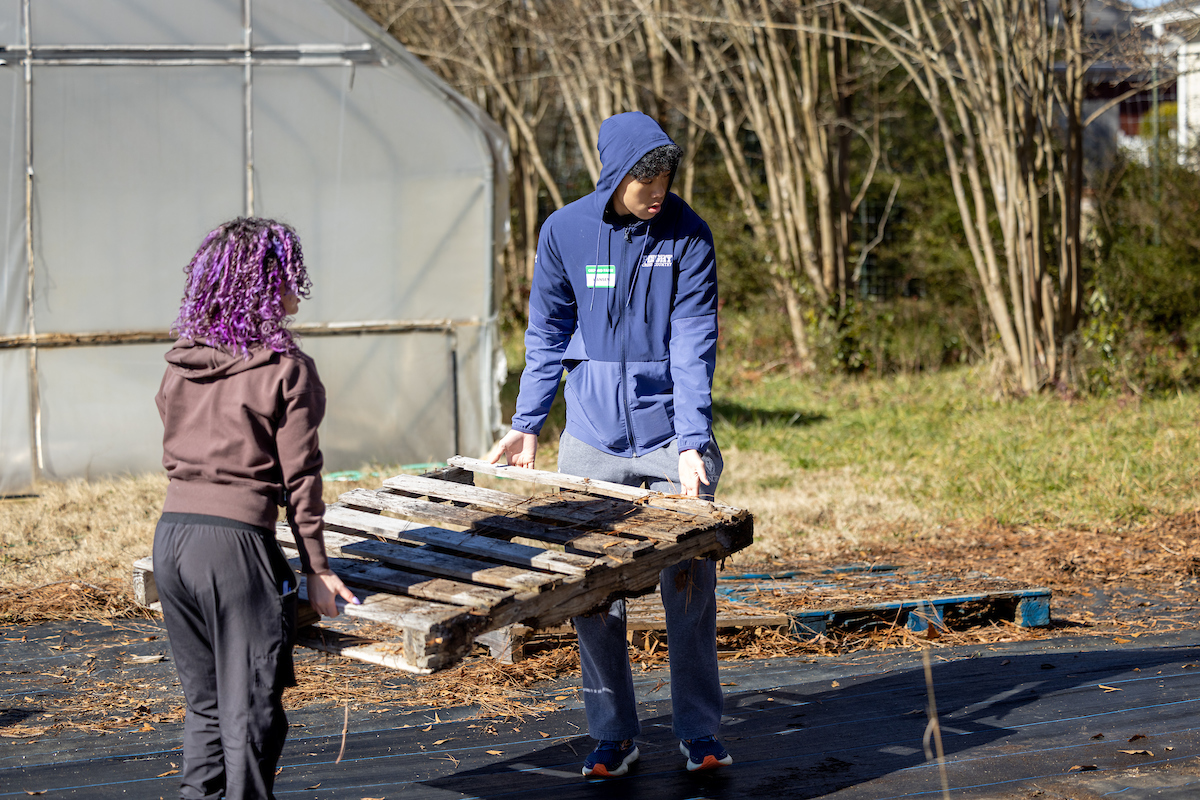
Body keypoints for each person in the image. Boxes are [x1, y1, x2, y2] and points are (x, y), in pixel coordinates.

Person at [489, 111, 730, 776]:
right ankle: (613, 734)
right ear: (615, 174)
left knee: (689, 580)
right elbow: (546, 332)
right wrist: (528, 422)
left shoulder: (688, 236)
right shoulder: (566, 230)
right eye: (644, 176)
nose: (657, 188)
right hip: (590, 440)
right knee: (593, 593)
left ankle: (699, 731)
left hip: (664, 439)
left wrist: (692, 441)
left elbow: (692, 343)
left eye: (665, 175)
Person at [153, 217, 359, 800]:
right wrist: (318, 569)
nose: (301, 284)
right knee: (250, 715)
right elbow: (301, 479)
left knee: (208, 707)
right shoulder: (286, 369)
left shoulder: (180, 362)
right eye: (292, 271)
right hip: (233, 549)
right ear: (267, 282)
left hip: (171, 540)